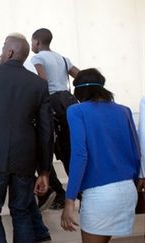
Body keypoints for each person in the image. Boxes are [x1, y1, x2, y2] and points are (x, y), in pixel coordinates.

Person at [0, 33, 53, 243]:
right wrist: (44, 169)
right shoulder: (39, 84)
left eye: (2, 50)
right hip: (25, 160)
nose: (0, 54)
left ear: (9, 52)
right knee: (22, 212)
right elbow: (46, 130)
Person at [61, 68, 140, 243]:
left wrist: (69, 200)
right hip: (127, 190)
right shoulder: (124, 110)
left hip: (100, 195)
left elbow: (80, 156)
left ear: (80, 92)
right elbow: (136, 153)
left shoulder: (76, 111)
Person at [30, 28, 80, 210]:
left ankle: (57, 191)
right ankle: (80, 192)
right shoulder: (63, 58)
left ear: (36, 42)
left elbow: (42, 81)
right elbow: (80, 76)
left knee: (44, 147)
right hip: (69, 104)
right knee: (69, 149)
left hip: (52, 104)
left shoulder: (37, 58)